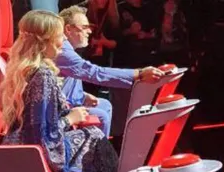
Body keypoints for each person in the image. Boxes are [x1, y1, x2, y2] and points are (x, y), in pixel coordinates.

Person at [1, 10, 118, 172]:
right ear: (44, 40)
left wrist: (71, 112)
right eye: (58, 37)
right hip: (35, 149)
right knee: (97, 147)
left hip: (25, 142)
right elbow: (42, 134)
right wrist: (71, 118)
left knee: (95, 140)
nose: (62, 41)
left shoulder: (29, 68)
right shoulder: (42, 75)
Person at [57, 5, 164, 137]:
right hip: (60, 111)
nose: (89, 31)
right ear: (68, 29)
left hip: (68, 102)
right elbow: (94, 72)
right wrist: (138, 74)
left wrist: (82, 95)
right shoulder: (62, 50)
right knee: (101, 116)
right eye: (84, 27)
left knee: (104, 104)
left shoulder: (68, 49)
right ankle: (100, 149)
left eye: (90, 27)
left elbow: (68, 79)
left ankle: (99, 146)